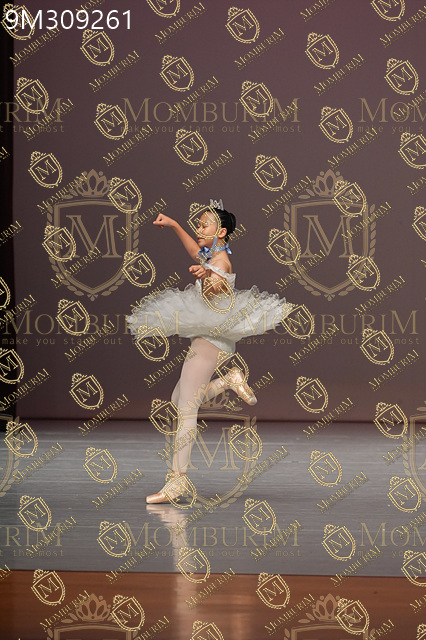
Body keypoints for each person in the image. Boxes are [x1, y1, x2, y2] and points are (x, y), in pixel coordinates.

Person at [126, 199, 294, 505]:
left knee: (186, 411)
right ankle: (229, 380)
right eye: (199, 224)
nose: (199, 228)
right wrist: (174, 225)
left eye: (205, 225)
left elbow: (218, 284)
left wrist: (208, 278)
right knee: (178, 400)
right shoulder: (211, 255)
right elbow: (195, 252)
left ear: (222, 231)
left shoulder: (221, 262)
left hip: (210, 342)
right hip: (210, 338)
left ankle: (177, 481)